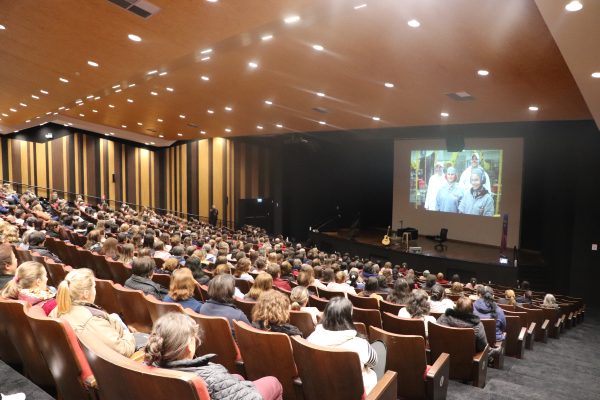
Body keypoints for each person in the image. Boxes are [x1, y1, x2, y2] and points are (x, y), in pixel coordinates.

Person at [144, 313, 283, 400]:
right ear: (188, 345)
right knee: (273, 382)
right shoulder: (212, 375)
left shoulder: (148, 365)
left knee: (238, 378)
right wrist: (248, 388)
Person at [52, 268, 138, 357]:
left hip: (93, 355)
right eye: (94, 287)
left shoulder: (58, 309)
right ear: (86, 293)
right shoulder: (92, 320)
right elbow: (123, 349)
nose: (95, 290)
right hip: (117, 359)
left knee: (115, 316)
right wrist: (128, 334)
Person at [307, 297, 379, 394]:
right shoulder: (359, 344)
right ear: (348, 317)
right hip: (355, 392)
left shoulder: (311, 338)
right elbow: (374, 363)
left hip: (322, 388)